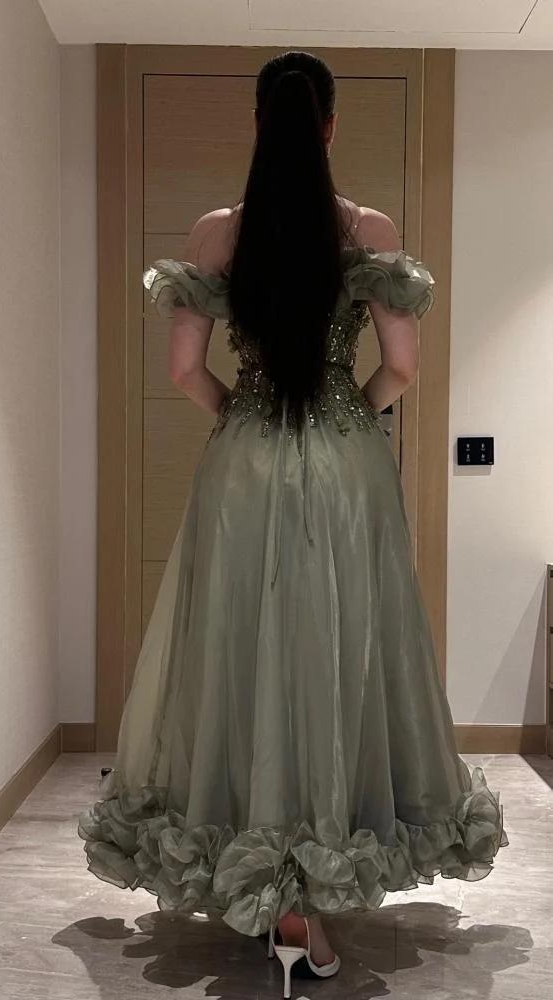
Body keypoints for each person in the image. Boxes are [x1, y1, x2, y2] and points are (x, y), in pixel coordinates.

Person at [78, 49, 507, 999]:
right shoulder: (369, 230)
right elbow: (403, 366)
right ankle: (315, 880)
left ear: (257, 124)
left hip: (246, 458)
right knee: (341, 648)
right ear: (330, 125)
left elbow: (184, 371)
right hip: (346, 461)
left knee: (242, 649)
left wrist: (243, 412)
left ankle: (262, 881)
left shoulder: (216, 233)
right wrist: (351, 410)